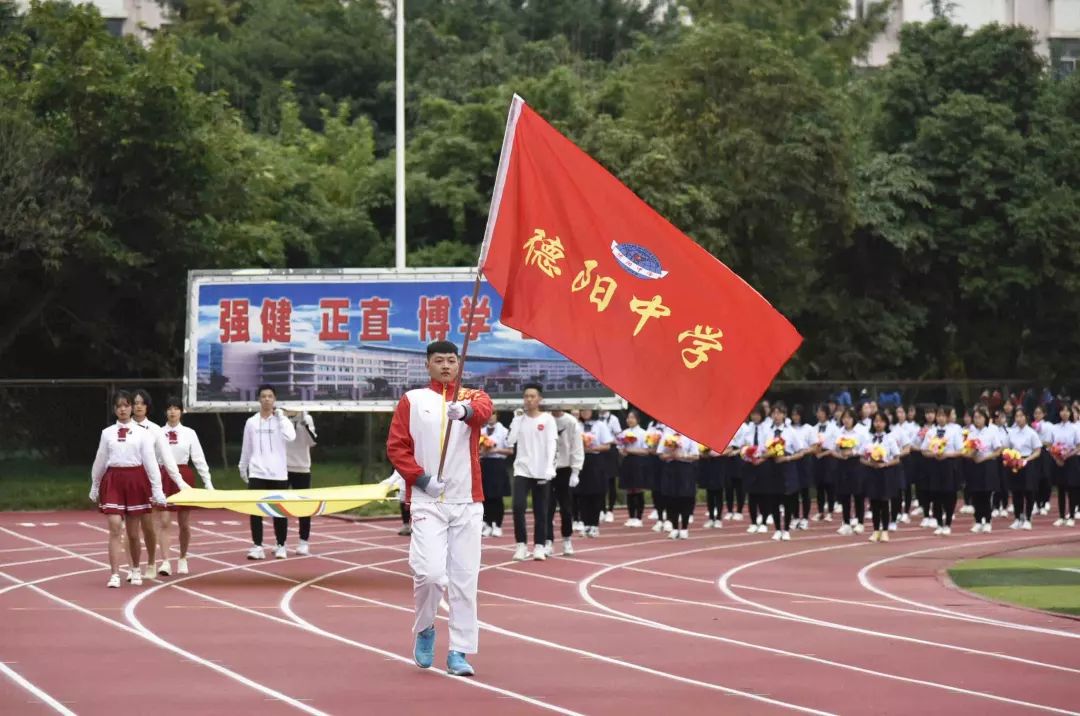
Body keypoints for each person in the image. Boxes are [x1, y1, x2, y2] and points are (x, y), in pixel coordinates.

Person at [386, 340, 493, 678]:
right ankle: (426, 626)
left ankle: (460, 650)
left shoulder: (472, 396)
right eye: (439, 361)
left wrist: (464, 412)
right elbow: (397, 446)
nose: (446, 366)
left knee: (464, 580)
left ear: (458, 365)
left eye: (451, 360)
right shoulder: (413, 401)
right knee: (430, 574)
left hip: (466, 501)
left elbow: (484, 410)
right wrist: (420, 479)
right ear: (428, 365)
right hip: (429, 500)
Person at [89, 391, 166, 587]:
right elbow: (101, 459)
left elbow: (150, 462)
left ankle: (135, 569)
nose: (122, 409)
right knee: (115, 526)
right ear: (114, 409)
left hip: (135, 480)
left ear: (131, 407)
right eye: (118, 406)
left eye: (126, 405)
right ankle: (114, 574)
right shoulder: (107, 433)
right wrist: (95, 484)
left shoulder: (143, 433)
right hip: (114, 479)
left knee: (133, 532)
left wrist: (157, 490)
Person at [132, 389, 187, 580]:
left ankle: (152, 561)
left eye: (141, 403)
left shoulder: (155, 430)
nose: (138, 406)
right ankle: (134, 567)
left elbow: (168, 459)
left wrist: (180, 482)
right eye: (135, 402)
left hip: (150, 480)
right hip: (129, 481)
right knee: (128, 528)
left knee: (148, 525)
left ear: (147, 406)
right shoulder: (119, 429)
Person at [238, 384, 297, 560]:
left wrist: (281, 418)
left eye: (270, 396)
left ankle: (281, 544)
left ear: (275, 399)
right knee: (256, 510)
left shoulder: (281, 420)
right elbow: (246, 447)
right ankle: (257, 546)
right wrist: (243, 466)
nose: (266, 399)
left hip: (278, 473)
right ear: (258, 399)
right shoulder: (251, 422)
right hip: (257, 472)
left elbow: (291, 437)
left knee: (278, 511)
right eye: (263, 396)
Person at [158, 397, 214, 576]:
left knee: (184, 523)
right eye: (169, 408)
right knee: (165, 521)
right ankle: (165, 561)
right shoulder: (157, 433)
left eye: (176, 408)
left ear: (181, 411)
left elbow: (199, 458)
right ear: (165, 412)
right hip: (163, 476)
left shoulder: (190, 433)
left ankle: (182, 557)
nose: (172, 412)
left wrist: (208, 483)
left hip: (184, 475)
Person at [506, 384, 558, 561]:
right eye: (526, 396)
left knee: (541, 510)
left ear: (539, 399)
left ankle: (539, 546)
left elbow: (552, 444)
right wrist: (515, 421)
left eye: (533, 396)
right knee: (518, 507)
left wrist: (550, 466)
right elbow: (510, 441)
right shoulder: (520, 419)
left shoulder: (548, 419)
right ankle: (521, 545)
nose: (529, 399)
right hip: (522, 469)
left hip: (542, 470)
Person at [922, 405, 963, 536]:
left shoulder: (954, 431)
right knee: (936, 495)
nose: (940, 418)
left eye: (943, 415)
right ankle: (939, 522)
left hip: (949, 465)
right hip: (935, 465)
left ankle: (948, 522)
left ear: (947, 417)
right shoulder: (930, 432)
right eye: (938, 415)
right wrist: (933, 454)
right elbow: (924, 450)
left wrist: (947, 455)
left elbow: (960, 450)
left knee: (949, 494)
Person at [860, 412, 901, 543]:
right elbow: (861, 458)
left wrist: (885, 464)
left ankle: (885, 531)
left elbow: (897, 458)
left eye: (881, 421)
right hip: (872, 472)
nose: (878, 424)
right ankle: (875, 530)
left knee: (884, 502)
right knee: (874, 503)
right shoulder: (869, 438)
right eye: (876, 421)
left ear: (886, 423)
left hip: (886, 473)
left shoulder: (890, 438)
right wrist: (870, 463)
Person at [549, 405, 584, 555]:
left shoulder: (570, 421)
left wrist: (575, 471)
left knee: (566, 507)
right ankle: (547, 540)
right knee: (547, 507)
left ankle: (567, 539)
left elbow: (577, 446)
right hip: (546, 468)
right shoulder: (545, 418)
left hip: (564, 468)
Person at [962, 406, 1002, 534]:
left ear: (985, 418)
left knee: (986, 494)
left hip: (987, 465)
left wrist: (985, 457)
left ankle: (988, 521)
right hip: (974, 465)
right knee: (975, 494)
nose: (977, 420)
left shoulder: (991, 432)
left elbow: (998, 450)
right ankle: (978, 520)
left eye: (980, 417)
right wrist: (972, 453)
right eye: (975, 417)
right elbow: (966, 451)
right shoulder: (971, 433)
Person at [577, 409, 615, 537]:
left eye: (587, 410)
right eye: (582, 410)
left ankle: (594, 525)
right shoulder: (577, 425)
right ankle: (585, 524)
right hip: (581, 461)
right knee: (582, 494)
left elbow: (607, 446)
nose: (584, 413)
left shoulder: (600, 425)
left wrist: (593, 448)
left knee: (596, 494)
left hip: (596, 461)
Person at [285, 410, 318, 556]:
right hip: (282, 468)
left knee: (304, 507)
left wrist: (304, 424)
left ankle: (303, 541)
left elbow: (312, 442)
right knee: (280, 506)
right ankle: (281, 541)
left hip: (302, 467)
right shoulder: (280, 417)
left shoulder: (307, 418)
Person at [1006, 408, 1042, 531]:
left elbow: (1037, 451)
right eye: (1017, 416)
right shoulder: (1012, 432)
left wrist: (1027, 459)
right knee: (1016, 492)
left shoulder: (1032, 433)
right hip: (1015, 462)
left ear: (1026, 417)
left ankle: (1028, 518)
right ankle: (1018, 517)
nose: (1019, 419)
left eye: (1021, 416)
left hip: (1027, 462)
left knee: (1028, 491)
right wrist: (1010, 458)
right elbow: (1007, 448)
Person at [831, 409, 865, 536]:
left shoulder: (860, 432)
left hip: (856, 463)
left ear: (854, 419)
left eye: (849, 418)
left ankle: (860, 522)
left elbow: (865, 448)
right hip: (842, 464)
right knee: (844, 494)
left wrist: (852, 452)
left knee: (858, 494)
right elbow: (832, 449)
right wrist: (840, 455)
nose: (846, 420)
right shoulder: (839, 433)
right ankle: (846, 522)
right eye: (844, 417)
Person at [479, 412, 512, 538]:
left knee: (497, 497)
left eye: (493, 414)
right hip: (484, 464)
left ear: (497, 416)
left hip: (497, 465)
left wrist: (495, 449)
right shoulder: (481, 430)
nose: (490, 417)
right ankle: (486, 524)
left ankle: (497, 524)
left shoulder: (504, 431)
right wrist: (482, 451)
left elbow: (510, 450)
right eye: (488, 414)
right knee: (485, 496)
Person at [617, 411, 651, 527]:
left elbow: (646, 451)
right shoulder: (624, 433)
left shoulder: (643, 433)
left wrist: (630, 450)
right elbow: (620, 448)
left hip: (639, 461)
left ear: (637, 420)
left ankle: (639, 517)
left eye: (632, 418)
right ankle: (631, 516)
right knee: (629, 490)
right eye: (628, 418)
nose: (629, 420)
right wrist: (622, 451)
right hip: (627, 462)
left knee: (638, 489)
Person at [598, 409, 622, 523]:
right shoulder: (595, 418)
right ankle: (601, 509)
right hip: (599, 450)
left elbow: (619, 437)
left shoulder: (613, 419)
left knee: (611, 481)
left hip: (611, 451)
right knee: (600, 481)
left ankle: (610, 510)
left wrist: (609, 440)